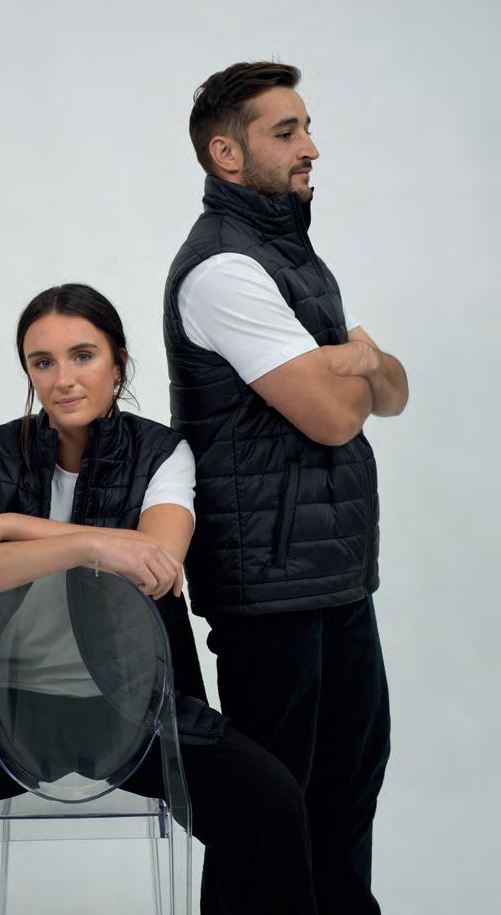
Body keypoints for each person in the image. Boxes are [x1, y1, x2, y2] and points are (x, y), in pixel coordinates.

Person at [0, 283, 318, 915]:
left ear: (118, 362)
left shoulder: (163, 453)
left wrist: (7, 528)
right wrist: (90, 545)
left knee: (269, 798)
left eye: (83, 355)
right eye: (42, 362)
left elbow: (158, 564)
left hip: (134, 704)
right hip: (1, 706)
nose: (63, 379)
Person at [163, 62, 409, 915]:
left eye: (307, 126)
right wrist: (354, 367)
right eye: (286, 131)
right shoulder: (224, 271)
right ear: (226, 154)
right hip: (269, 585)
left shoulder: (290, 257)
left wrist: (357, 364)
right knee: (271, 809)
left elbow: (393, 389)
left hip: (334, 573)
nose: (312, 147)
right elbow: (337, 417)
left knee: (349, 783)